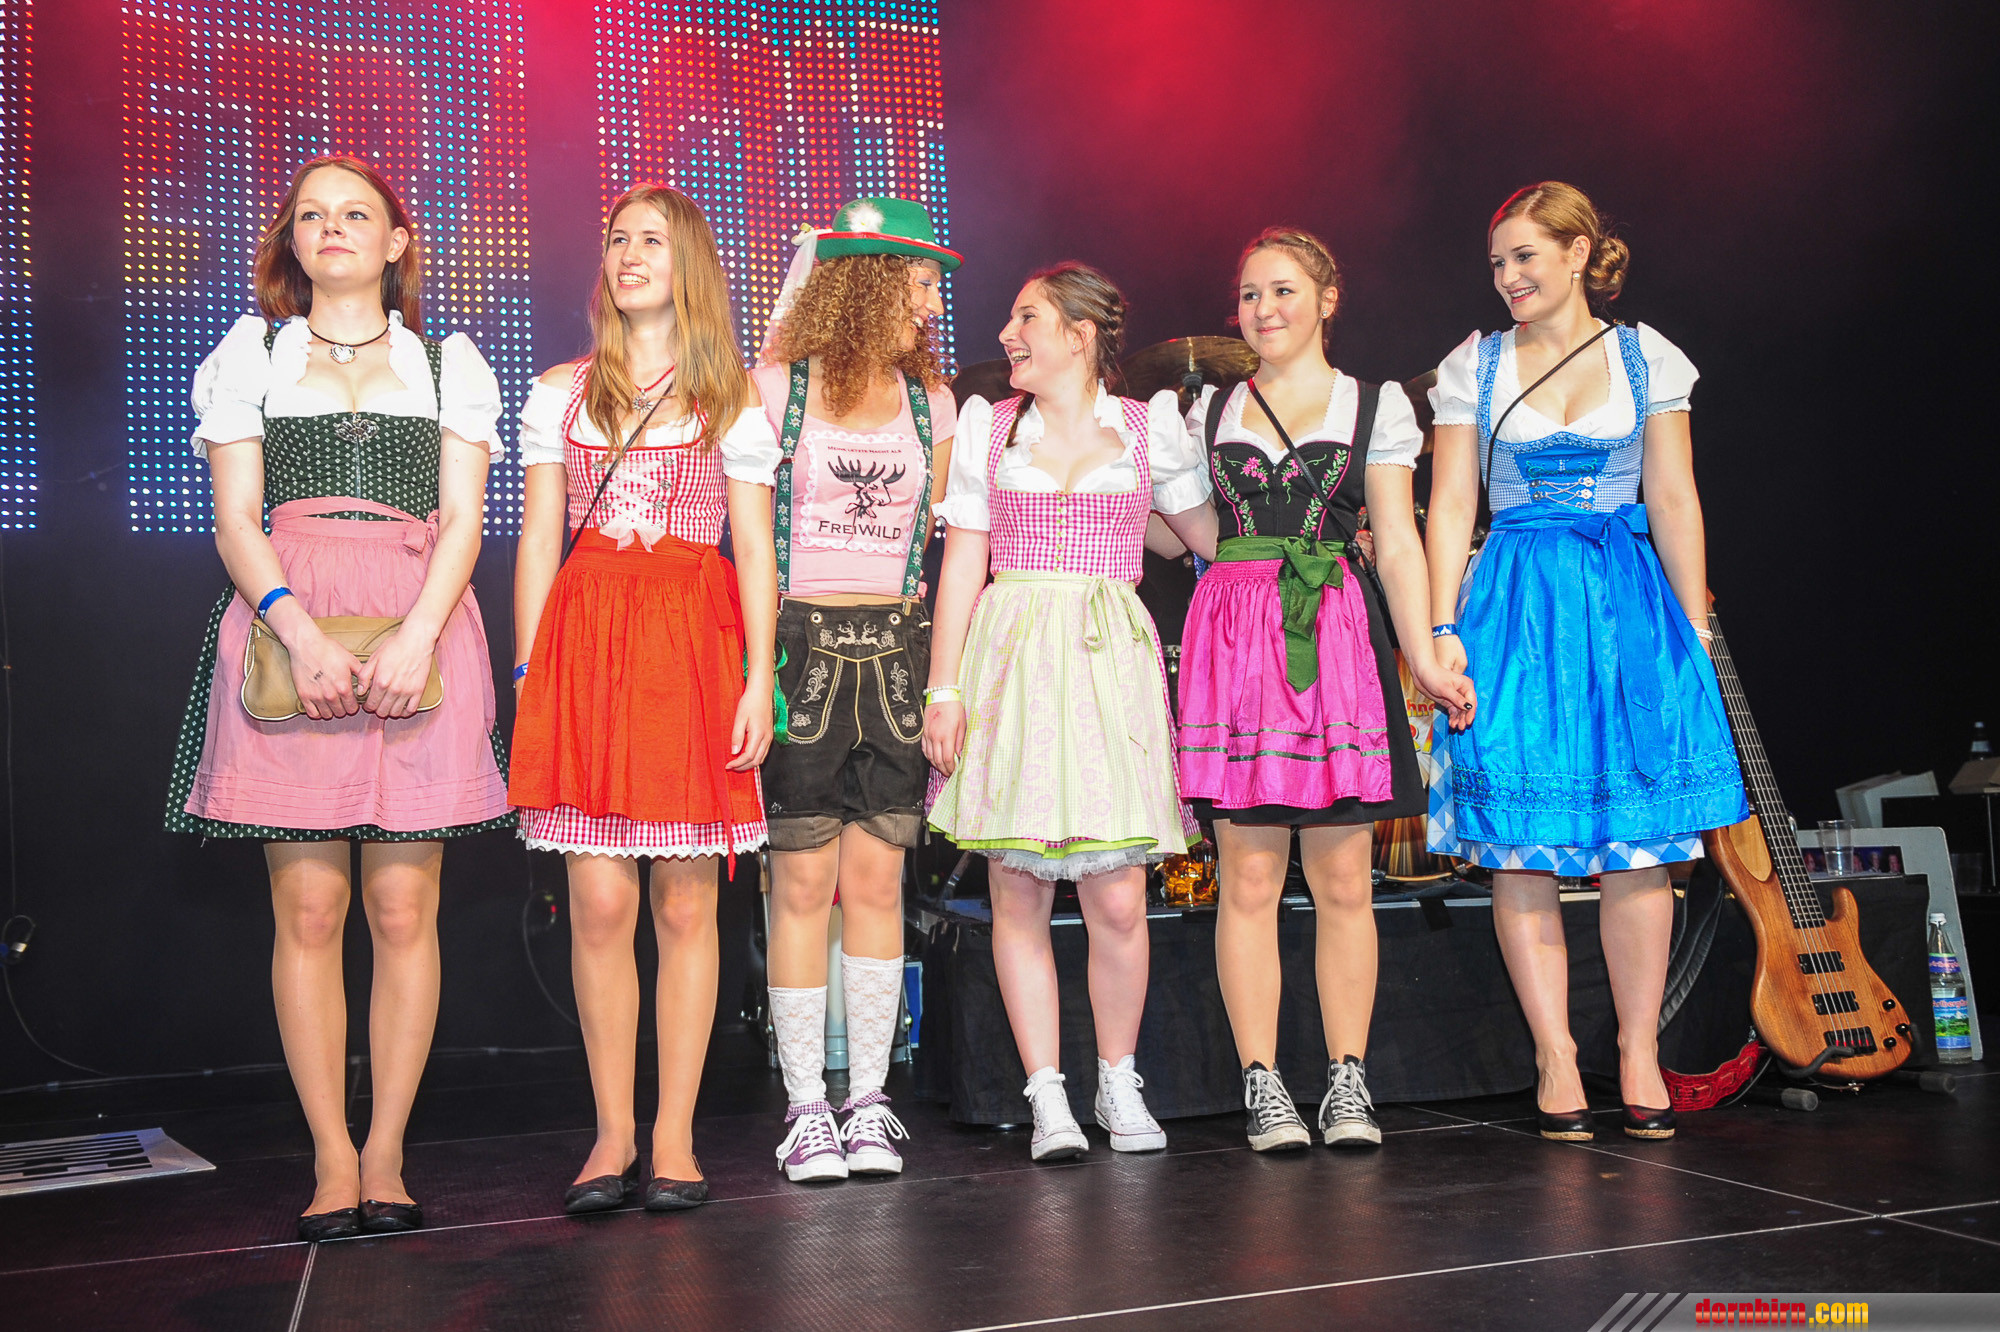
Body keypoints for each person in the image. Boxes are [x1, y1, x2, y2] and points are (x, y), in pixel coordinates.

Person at [167, 155, 511, 1240]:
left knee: (403, 908)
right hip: (291, 629)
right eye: (311, 214)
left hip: (420, 628)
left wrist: (416, 635)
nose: (332, 228)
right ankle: (329, 1156)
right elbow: (236, 521)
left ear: (396, 240)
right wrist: (299, 633)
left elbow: (464, 520)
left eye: (356, 213)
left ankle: (387, 1153)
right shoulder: (253, 356)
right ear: (292, 240)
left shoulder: (449, 365)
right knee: (310, 911)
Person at [1424, 182, 1748, 1142]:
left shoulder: (1647, 357)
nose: (1508, 277)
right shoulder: (1474, 367)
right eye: (1497, 262)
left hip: (1624, 605)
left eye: (1526, 255)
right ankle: (1556, 1054)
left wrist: (1693, 630)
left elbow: (1675, 496)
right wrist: (1441, 626)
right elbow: (1452, 505)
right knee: (1521, 845)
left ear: (1578, 253)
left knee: (1639, 845)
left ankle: (1639, 1049)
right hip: (1514, 605)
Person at [1170, 229, 1475, 1153]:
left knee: (1344, 879)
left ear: (1327, 299)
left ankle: (1348, 1079)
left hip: (1334, 639)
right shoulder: (1207, 410)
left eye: (1282, 290)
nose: (1263, 309)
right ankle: (1263, 1083)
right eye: (1249, 293)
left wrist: (1427, 654)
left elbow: (1399, 542)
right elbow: (1184, 529)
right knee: (1247, 878)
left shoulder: (1373, 406)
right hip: (1236, 646)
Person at [509, 183, 778, 1213]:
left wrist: (759, 676)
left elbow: (753, 547)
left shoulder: (730, 398)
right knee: (599, 901)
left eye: (651, 240)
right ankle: (611, 1132)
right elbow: (541, 537)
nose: (628, 254)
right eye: (617, 238)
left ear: (689, 262)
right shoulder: (560, 391)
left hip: (688, 645)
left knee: (684, 899)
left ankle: (673, 1136)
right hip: (588, 644)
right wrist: (530, 668)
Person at [924, 262, 1210, 1161]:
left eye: (1028, 318)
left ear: (1081, 334)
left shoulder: (1148, 428)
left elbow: (1209, 540)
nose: (1007, 334)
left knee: (1118, 896)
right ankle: (1046, 1091)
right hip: (1012, 653)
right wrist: (944, 688)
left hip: (1108, 659)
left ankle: (1118, 1081)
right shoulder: (990, 427)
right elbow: (962, 564)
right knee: (1019, 888)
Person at [747, 199, 960, 1184]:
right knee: (800, 886)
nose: (933, 303)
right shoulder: (772, 391)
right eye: (920, 281)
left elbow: (948, 549)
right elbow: (750, 546)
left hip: (896, 651)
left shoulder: (934, 405)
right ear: (871, 282)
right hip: (801, 650)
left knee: (878, 884)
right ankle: (805, 1108)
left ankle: (868, 1102)